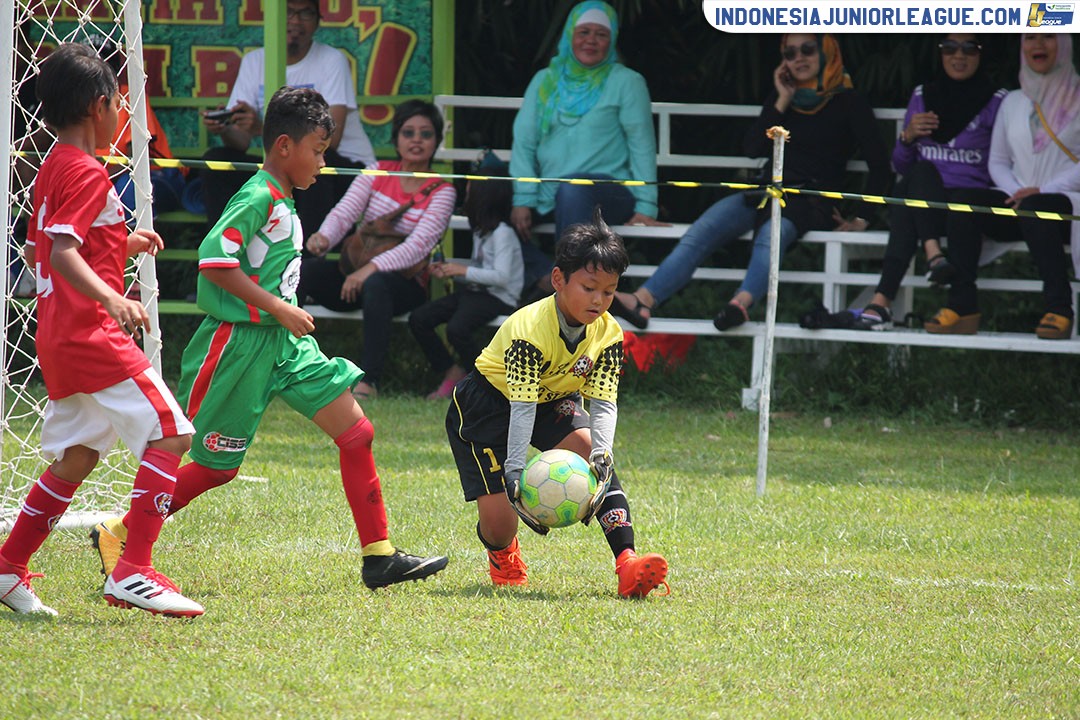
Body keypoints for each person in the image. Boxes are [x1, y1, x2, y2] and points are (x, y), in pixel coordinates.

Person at [89, 87, 448, 592]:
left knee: (357, 432)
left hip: (285, 345)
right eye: (318, 150)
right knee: (214, 467)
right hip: (240, 346)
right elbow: (214, 260)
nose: (324, 163)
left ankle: (379, 556)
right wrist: (278, 305)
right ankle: (119, 533)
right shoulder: (259, 195)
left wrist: (281, 313)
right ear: (284, 146)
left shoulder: (283, 199)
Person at [0, 44, 202, 617]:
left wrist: (123, 243)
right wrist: (115, 296)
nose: (123, 111)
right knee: (170, 434)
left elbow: (64, 239)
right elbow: (64, 253)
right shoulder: (88, 172)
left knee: (78, 457)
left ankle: (8, 566)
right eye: (119, 100)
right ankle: (132, 571)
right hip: (92, 334)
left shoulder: (56, 165)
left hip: (59, 337)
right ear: (99, 104)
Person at [445, 210, 669, 598]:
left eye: (609, 291)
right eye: (589, 287)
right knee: (501, 526)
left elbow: (604, 403)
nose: (599, 300)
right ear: (558, 280)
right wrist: (515, 471)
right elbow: (522, 407)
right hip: (488, 405)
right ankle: (503, 555)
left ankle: (627, 563)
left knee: (588, 450)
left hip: (552, 400)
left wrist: (602, 453)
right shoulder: (529, 329)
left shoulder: (609, 333)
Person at [613, 34, 891, 332]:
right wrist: (782, 99)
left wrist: (862, 217)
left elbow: (880, 168)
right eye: (789, 52)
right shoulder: (783, 97)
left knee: (771, 236)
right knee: (702, 231)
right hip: (762, 192)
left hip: (809, 200)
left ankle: (740, 305)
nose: (798, 58)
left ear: (826, 53)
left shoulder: (849, 102)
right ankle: (642, 301)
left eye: (808, 50)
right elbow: (752, 149)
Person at [299, 100, 456, 399]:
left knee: (376, 283)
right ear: (396, 138)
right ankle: (287, 362)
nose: (416, 140)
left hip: (404, 286)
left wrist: (367, 271)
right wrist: (322, 238)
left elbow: (417, 247)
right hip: (354, 277)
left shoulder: (443, 190)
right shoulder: (376, 171)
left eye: (425, 134)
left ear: (436, 141)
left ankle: (368, 380)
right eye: (408, 133)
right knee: (306, 271)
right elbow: (344, 214)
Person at [509, 1, 665, 298]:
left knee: (574, 188)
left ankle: (572, 293)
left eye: (600, 34)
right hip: (549, 192)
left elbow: (641, 144)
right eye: (583, 32)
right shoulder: (546, 81)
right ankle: (556, 281)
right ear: (569, 35)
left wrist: (647, 205)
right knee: (486, 202)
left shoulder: (627, 82)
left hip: (606, 192)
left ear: (612, 39)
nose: (590, 40)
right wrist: (523, 196)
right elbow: (524, 141)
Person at [854, 34, 1007, 331]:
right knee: (919, 176)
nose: (958, 56)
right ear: (940, 53)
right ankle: (934, 255)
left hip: (968, 205)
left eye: (969, 48)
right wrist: (907, 137)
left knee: (908, 193)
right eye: (949, 47)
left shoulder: (997, 100)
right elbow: (900, 164)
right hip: (925, 199)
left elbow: (1003, 161)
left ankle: (882, 300)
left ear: (981, 53)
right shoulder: (924, 95)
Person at [933, 33, 1080, 339]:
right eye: (1030, 38)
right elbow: (997, 161)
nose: (1038, 45)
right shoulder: (1013, 101)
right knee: (964, 203)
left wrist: (1044, 190)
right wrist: (1016, 191)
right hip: (1018, 200)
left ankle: (1060, 309)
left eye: (1048, 37)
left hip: (1067, 204)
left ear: (1064, 44)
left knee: (1036, 207)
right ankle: (962, 307)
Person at [200, 0, 376, 234]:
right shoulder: (254, 62)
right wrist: (225, 128)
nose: (295, 21)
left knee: (316, 160)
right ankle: (226, 246)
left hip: (339, 168)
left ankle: (307, 258)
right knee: (217, 160)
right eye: (289, 12)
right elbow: (241, 142)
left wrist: (260, 127)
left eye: (305, 13)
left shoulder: (332, 60)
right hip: (286, 164)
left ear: (317, 21)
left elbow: (331, 141)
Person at [409, 166, 523, 400]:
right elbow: (479, 270)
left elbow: (501, 277)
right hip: (477, 293)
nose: (466, 197)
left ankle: (489, 383)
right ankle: (453, 372)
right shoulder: (482, 231)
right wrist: (452, 271)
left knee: (456, 329)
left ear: (484, 198)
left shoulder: (503, 233)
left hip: (500, 298)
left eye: (470, 192)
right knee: (419, 319)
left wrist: (461, 270)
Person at [86, 35, 187, 219]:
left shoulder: (130, 96)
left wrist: (97, 180)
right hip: (104, 176)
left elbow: (137, 158)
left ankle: (138, 244)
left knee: (128, 188)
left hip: (159, 175)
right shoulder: (80, 102)